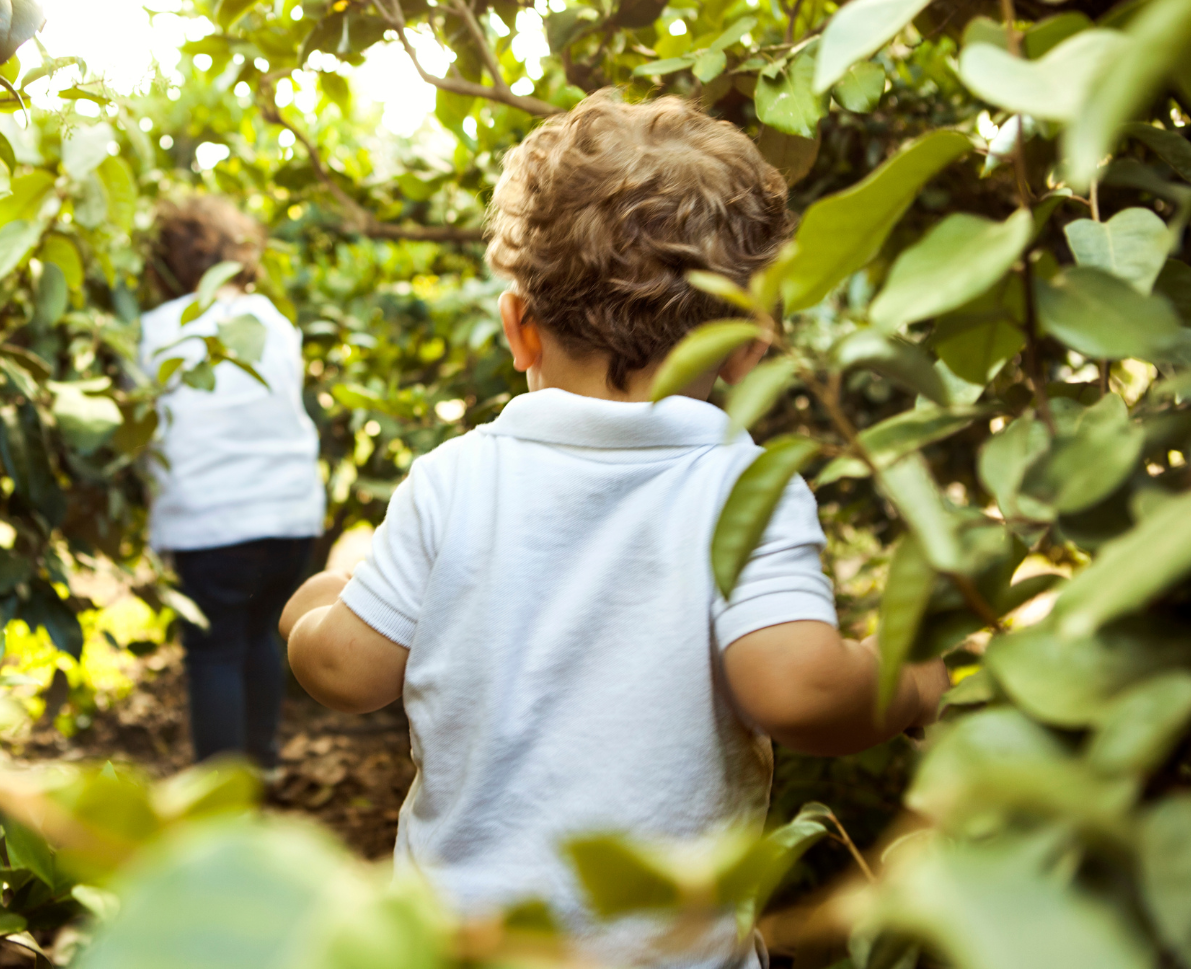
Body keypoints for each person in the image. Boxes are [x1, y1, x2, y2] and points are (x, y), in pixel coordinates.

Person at [277, 93, 950, 967]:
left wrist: (319, 599)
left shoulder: (454, 479)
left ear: (519, 327)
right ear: (750, 346)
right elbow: (799, 690)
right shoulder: (741, 488)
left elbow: (344, 671)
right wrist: (911, 676)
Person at [138, 195, 324, 768]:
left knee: (215, 650)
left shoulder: (156, 331)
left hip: (211, 523)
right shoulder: (273, 322)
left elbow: (140, 424)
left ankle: (222, 793)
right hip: (289, 516)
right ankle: (261, 765)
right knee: (258, 634)